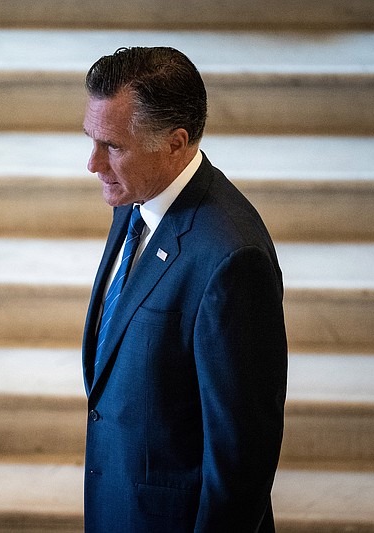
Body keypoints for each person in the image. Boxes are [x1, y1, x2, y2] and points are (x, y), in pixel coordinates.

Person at [81, 47, 288, 532]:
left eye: (112, 146)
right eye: (90, 139)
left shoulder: (233, 259)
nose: (92, 163)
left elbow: (241, 459)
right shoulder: (136, 199)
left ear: (175, 143)